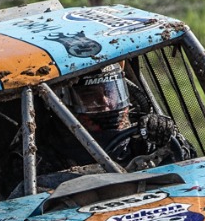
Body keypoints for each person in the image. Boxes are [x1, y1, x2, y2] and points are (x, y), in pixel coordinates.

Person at [60, 64, 191, 171]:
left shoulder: (146, 135)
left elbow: (190, 163)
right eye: (90, 97)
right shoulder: (56, 153)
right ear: (68, 106)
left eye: (110, 92)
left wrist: (168, 137)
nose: (107, 104)